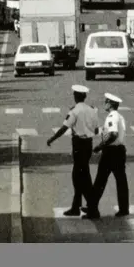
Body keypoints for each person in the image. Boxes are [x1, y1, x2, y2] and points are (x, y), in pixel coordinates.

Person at [45, 85, 100, 218]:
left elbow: (64, 128)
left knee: (80, 177)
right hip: (88, 144)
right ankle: (77, 207)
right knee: (81, 176)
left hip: (79, 146)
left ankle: (93, 209)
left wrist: (52, 138)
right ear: (85, 97)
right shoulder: (92, 110)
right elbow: (97, 130)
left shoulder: (74, 111)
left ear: (75, 96)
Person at [88, 93, 129, 218]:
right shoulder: (119, 116)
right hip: (120, 151)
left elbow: (113, 134)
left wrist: (100, 146)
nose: (104, 104)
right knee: (121, 181)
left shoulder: (111, 117)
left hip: (111, 152)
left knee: (100, 180)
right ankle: (123, 208)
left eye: (106, 102)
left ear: (110, 104)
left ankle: (92, 208)